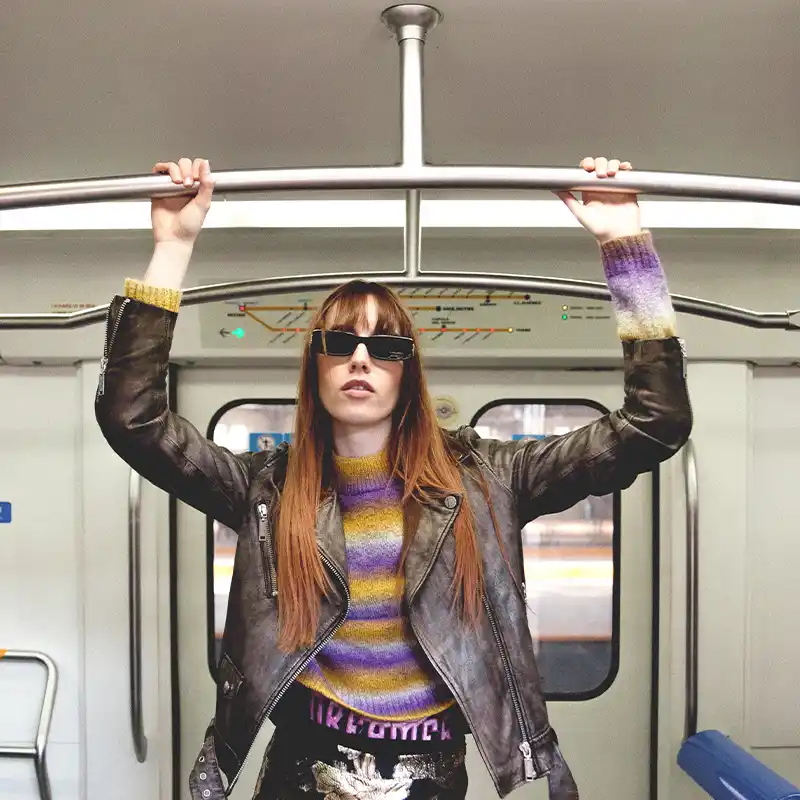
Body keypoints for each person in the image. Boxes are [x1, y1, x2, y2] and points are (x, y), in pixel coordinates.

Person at [95, 156, 692, 800]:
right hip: (302, 768)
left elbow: (654, 423)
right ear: (316, 366)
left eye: (385, 348)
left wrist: (624, 246)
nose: (360, 359)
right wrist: (173, 245)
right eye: (340, 343)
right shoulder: (265, 489)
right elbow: (133, 418)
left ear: (406, 373)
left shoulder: (490, 479)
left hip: (429, 774)